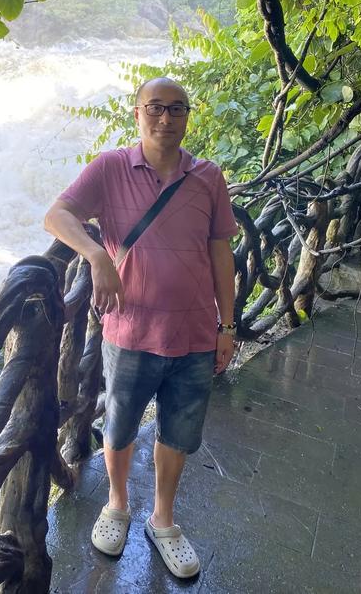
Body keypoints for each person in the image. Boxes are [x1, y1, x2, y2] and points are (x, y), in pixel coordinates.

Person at [44, 77, 237, 578]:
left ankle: (163, 520)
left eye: (177, 109)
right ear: (138, 113)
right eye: (155, 107)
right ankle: (117, 504)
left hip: (196, 334)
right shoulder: (111, 168)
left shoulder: (208, 177)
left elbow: (220, 252)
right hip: (130, 331)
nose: (166, 118)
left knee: (179, 432)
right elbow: (57, 215)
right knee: (120, 425)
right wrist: (95, 255)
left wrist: (228, 325)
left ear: (187, 116)